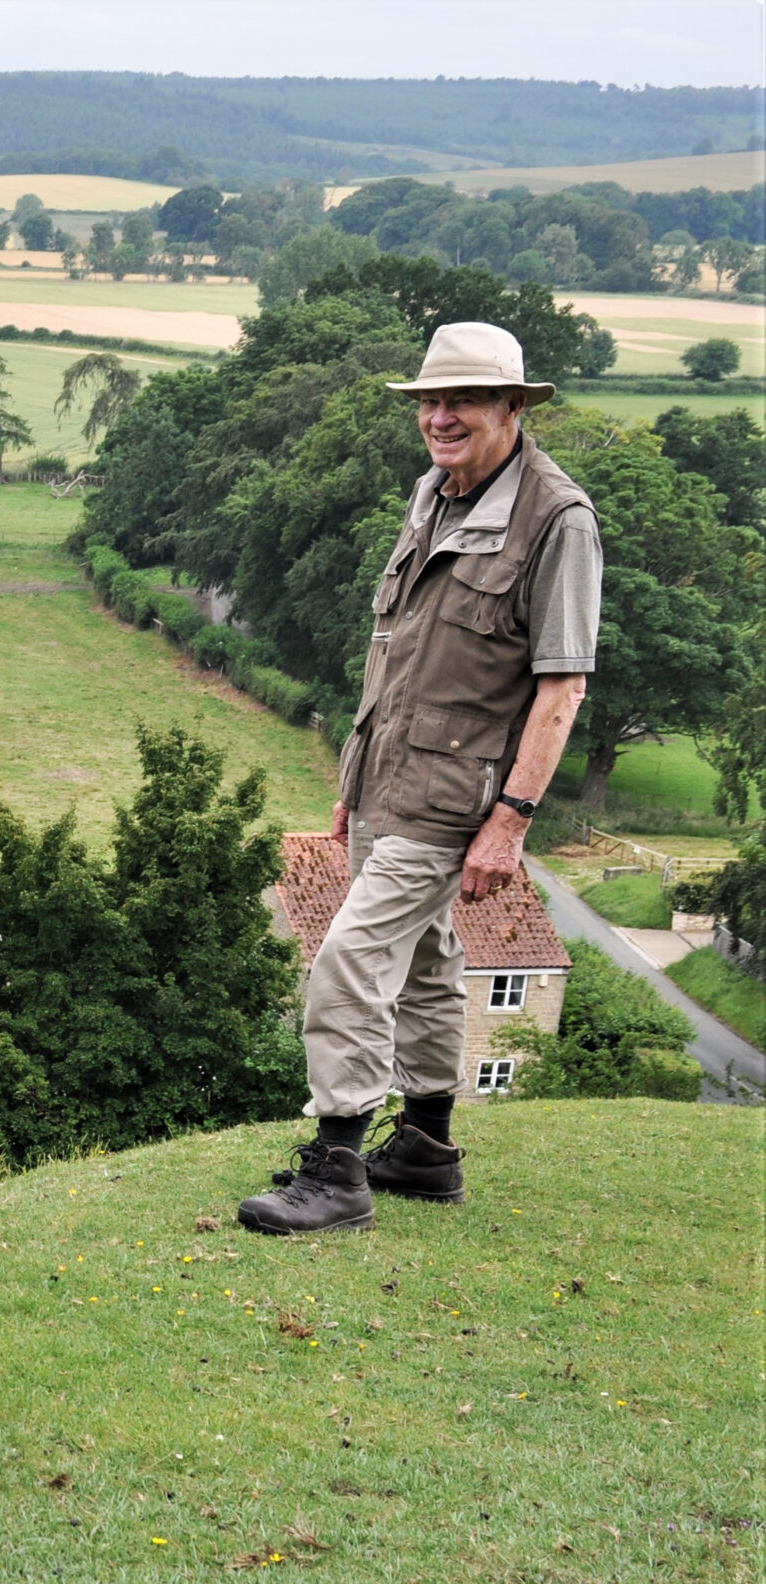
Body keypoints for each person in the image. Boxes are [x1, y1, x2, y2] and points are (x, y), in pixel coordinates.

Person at [239, 321, 598, 1235]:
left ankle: (336, 1168)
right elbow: (397, 651)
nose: (440, 418)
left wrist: (511, 819)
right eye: (430, 401)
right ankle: (426, 1149)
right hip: (388, 781)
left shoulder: (558, 520)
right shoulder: (433, 493)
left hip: (456, 799)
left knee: (348, 963)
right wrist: (356, 774)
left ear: (513, 407)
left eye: (463, 401)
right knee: (431, 960)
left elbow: (562, 686)